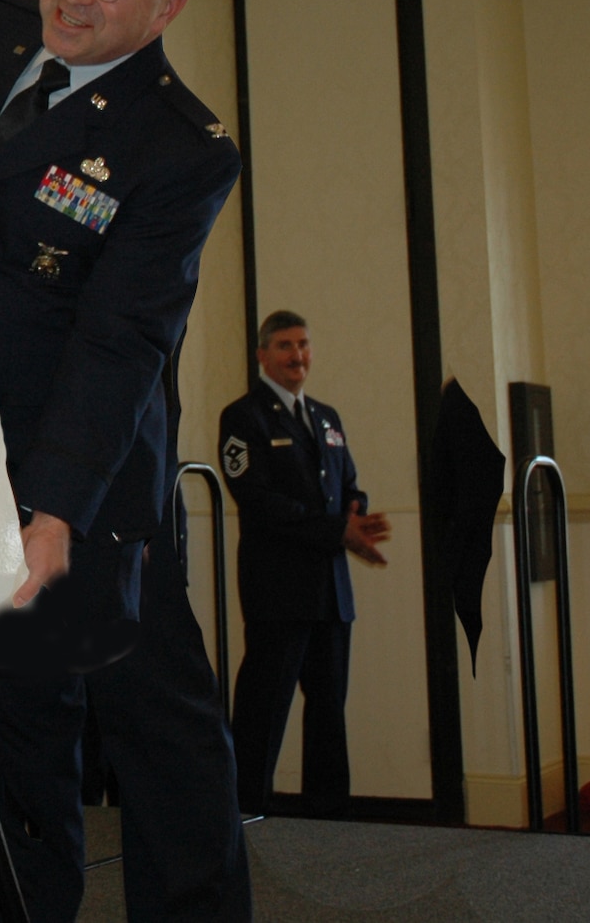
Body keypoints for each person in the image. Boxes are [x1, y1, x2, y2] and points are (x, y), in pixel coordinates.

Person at [0, 0, 249, 922]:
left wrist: (55, 510)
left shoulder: (180, 148)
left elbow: (118, 340)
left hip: (88, 474)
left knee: (153, 730)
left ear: (163, 9)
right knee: (22, 726)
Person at [219, 311, 389, 819]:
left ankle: (329, 819)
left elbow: (349, 484)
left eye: (304, 345)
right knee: (263, 711)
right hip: (278, 592)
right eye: (286, 346)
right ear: (263, 355)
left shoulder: (326, 416)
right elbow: (257, 500)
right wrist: (338, 529)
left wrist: (355, 517)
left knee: (329, 712)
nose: (298, 356)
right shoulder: (244, 417)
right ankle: (244, 811)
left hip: (331, 592)